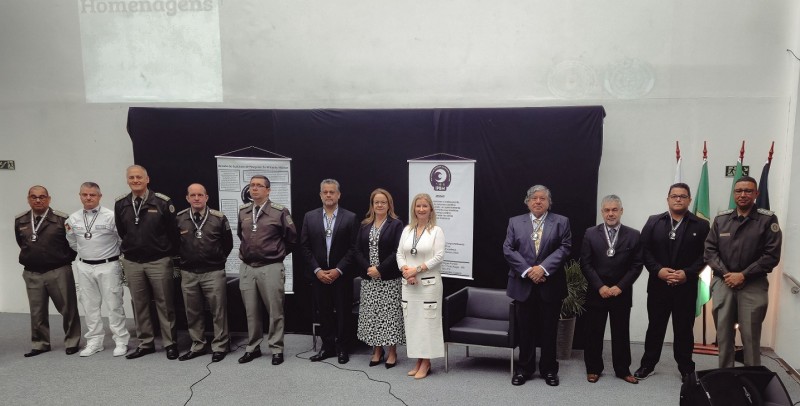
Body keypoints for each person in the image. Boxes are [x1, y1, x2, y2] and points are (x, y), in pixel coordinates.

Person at [634, 183, 709, 381]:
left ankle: (686, 368)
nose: (678, 199)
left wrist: (687, 273)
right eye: (674, 196)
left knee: (684, 329)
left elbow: (706, 255)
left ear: (689, 200)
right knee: (655, 326)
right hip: (658, 285)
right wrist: (658, 271)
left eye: (683, 196)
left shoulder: (701, 225)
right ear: (667, 199)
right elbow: (644, 250)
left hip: (686, 286)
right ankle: (648, 364)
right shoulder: (654, 221)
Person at [705, 176, 781, 368]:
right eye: (739, 191)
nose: (743, 194)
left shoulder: (767, 220)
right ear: (734, 194)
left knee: (750, 335)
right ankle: (725, 376)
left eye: (748, 191)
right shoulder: (721, 220)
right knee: (723, 334)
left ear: (756, 194)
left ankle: (752, 378)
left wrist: (744, 275)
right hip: (724, 282)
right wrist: (727, 274)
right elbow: (710, 251)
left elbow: (771, 255)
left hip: (753, 284)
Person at [504, 185, 572, 387]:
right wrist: (528, 271)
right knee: (525, 330)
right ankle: (524, 369)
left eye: (543, 198)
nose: (538, 201)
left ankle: (549, 370)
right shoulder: (515, 222)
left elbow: (565, 247)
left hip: (550, 284)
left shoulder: (561, 222)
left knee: (549, 330)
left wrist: (542, 269)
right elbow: (508, 249)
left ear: (549, 203)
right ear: (527, 202)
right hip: (523, 284)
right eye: (534, 198)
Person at [115, 165, 180, 360]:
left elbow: (173, 232)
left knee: (165, 303)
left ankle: (170, 343)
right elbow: (122, 231)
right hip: (133, 262)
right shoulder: (121, 203)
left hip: (158, 261)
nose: (135, 180)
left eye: (139, 177)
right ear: (127, 180)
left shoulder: (162, 202)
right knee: (139, 304)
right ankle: (146, 343)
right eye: (131, 177)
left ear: (147, 179)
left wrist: (164, 251)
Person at [580, 195, 643, 384]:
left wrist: (620, 287)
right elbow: (586, 263)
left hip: (621, 293)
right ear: (602, 212)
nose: (610, 213)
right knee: (594, 332)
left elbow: (637, 265)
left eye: (614, 209)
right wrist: (600, 286)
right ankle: (593, 368)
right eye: (607, 210)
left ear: (621, 211)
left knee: (621, 333)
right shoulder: (591, 233)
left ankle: (623, 369)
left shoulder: (634, 235)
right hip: (597, 291)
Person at [14, 185, 81, 357]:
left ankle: (72, 341)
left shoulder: (61, 219)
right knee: (37, 311)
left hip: (58, 271)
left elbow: (72, 244)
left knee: (68, 308)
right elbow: (21, 243)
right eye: (34, 197)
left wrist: (63, 260)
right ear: (28, 199)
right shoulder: (20, 220)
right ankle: (40, 343)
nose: (38, 200)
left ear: (49, 199)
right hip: (32, 273)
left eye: (42, 197)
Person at [237, 175, 297, 366]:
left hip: (271, 267)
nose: (254, 189)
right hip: (247, 268)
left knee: (275, 311)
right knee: (251, 311)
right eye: (252, 185)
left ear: (268, 190)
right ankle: (253, 347)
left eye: (259, 186)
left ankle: (276, 348)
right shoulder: (243, 211)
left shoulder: (280, 212)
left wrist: (276, 253)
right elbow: (241, 235)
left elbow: (292, 239)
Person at [66, 182, 130, 357]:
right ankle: (94, 341)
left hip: (108, 265)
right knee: (89, 306)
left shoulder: (111, 216)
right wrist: (87, 255)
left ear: (99, 196)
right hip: (84, 266)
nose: (88, 198)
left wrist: (109, 255)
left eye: (92, 195)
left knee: (114, 305)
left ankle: (121, 340)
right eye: (85, 194)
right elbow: (72, 242)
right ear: (80, 196)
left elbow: (121, 240)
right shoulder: (72, 219)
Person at [301, 179, 359, 364]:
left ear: (338, 195)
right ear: (320, 195)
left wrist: (339, 270)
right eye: (325, 192)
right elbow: (304, 246)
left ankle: (343, 348)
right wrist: (317, 270)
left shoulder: (350, 217)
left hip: (341, 275)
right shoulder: (309, 217)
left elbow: (354, 248)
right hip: (319, 275)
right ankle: (327, 347)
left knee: (343, 313)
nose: (328, 195)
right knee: (324, 312)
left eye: (332, 192)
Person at [176, 183, 234, 362]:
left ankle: (220, 346)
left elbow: (228, 244)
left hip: (213, 272)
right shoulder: (179, 218)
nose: (196, 198)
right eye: (193, 195)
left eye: (200, 195)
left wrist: (217, 260)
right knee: (192, 311)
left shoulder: (218, 218)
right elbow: (174, 243)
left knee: (218, 311)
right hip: (189, 272)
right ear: (187, 198)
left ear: (206, 197)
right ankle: (198, 345)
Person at [354, 188, 405, 369]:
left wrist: (380, 269)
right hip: (369, 279)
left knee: (390, 316)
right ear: (372, 205)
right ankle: (377, 350)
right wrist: (368, 268)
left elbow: (397, 251)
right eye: (377, 202)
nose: (380, 205)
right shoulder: (365, 224)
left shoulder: (396, 224)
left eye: (383, 202)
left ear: (389, 204)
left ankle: (392, 351)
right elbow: (357, 250)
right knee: (373, 316)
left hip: (389, 279)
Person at [397, 193, 445, 380]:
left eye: (425, 206)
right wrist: (405, 270)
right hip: (409, 284)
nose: (421, 209)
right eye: (418, 206)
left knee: (427, 323)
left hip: (428, 285)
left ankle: (426, 362)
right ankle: (418, 360)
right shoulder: (407, 230)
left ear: (431, 209)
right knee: (413, 323)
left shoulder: (436, 231)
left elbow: (438, 257)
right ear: (414, 209)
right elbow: (400, 254)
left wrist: (416, 270)